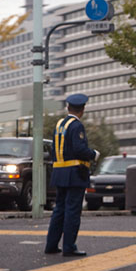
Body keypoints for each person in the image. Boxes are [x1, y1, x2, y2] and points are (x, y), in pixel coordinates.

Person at [45, 93, 98, 257]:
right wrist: (93, 154)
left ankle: (51, 245)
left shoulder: (60, 124)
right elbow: (79, 149)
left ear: (68, 107)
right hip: (75, 174)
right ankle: (69, 246)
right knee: (72, 211)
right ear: (82, 110)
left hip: (59, 172)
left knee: (59, 209)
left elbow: (54, 149)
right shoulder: (77, 126)